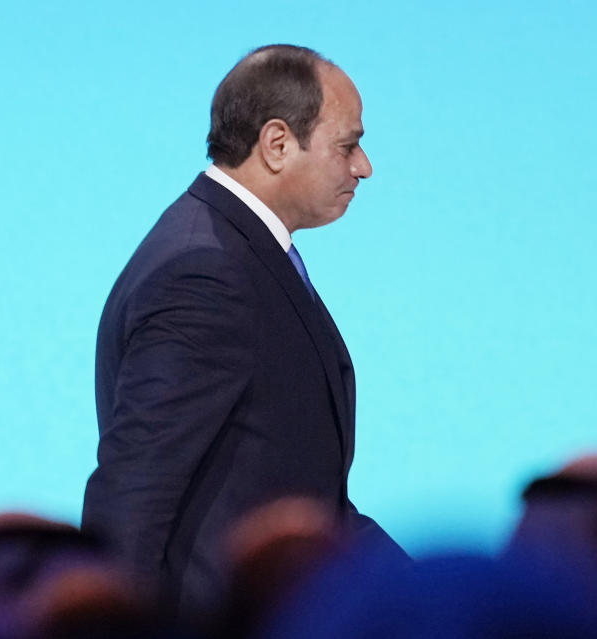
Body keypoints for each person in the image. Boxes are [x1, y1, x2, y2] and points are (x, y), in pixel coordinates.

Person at [81, 44, 403, 617]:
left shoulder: (236, 252)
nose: (364, 166)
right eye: (348, 145)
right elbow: (136, 487)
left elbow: (302, 496)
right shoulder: (205, 272)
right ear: (278, 144)